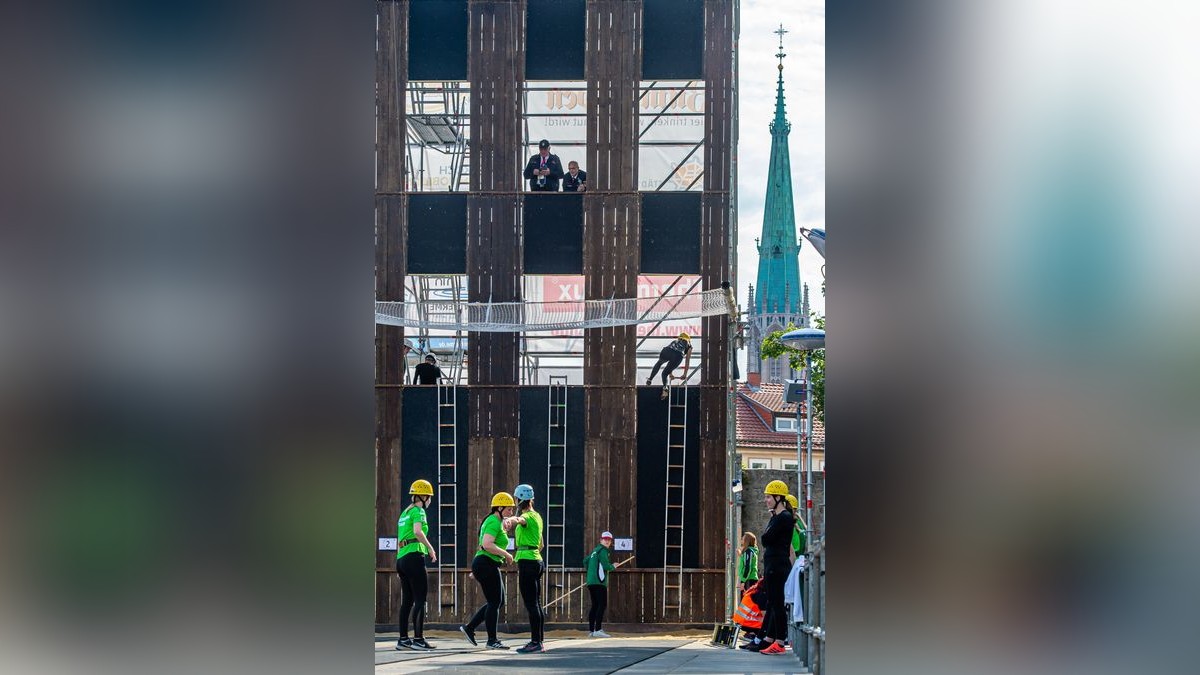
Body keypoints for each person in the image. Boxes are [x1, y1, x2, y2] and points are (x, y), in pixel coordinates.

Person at [460, 492, 517, 650]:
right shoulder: (493, 521)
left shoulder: (495, 520)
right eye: (509, 509)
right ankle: (492, 640)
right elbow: (487, 544)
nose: (511, 512)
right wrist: (506, 554)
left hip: (486, 564)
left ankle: (470, 627)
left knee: (498, 601)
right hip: (486, 563)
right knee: (494, 602)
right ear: (499, 508)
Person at [750, 480, 795, 655]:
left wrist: (767, 533)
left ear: (778, 497)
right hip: (772, 564)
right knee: (773, 602)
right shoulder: (777, 518)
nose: (766, 500)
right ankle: (770, 638)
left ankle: (779, 642)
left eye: (769, 497)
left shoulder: (783, 518)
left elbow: (766, 539)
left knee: (777, 604)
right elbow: (766, 538)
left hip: (777, 565)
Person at [395, 480, 437, 651]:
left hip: (401, 559)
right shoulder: (419, 511)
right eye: (429, 497)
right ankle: (419, 639)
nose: (429, 500)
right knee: (420, 598)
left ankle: (403, 639)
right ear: (424, 496)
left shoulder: (405, 512)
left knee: (407, 601)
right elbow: (418, 532)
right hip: (414, 556)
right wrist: (430, 548)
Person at [511, 484, 546, 654]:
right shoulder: (538, 516)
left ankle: (535, 642)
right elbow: (541, 544)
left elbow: (520, 520)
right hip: (537, 560)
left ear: (520, 500)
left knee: (531, 604)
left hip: (527, 562)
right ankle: (539, 639)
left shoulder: (527, 517)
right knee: (536, 603)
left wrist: (510, 520)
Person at [584, 531, 616, 638]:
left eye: (609, 540)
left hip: (591, 582)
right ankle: (598, 629)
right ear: (601, 540)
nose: (607, 541)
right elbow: (606, 566)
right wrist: (613, 566)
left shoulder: (595, 551)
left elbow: (585, 561)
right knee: (601, 605)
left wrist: (591, 573)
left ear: (610, 542)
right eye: (605, 539)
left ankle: (591, 631)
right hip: (599, 582)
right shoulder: (603, 551)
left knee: (595, 606)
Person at [646, 333, 693, 398]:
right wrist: (685, 374)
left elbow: (672, 352)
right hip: (678, 356)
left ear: (680, 338)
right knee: (664, 373)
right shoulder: (689, 347)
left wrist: (671, 373)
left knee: (659, 363)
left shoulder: (675, 341)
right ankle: (665, 388)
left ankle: (650, 379)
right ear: (689, 340)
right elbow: (687, 361)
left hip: (667, 351)